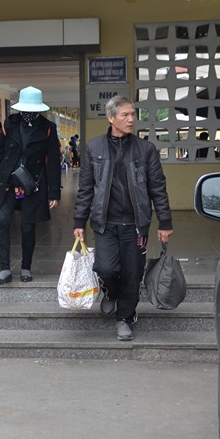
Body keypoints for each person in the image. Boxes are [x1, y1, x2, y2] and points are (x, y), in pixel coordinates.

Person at [73, 95, 173, 342]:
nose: (131, 119)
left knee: (132, 273)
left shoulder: (146, 150)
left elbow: (158, 187)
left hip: (136, 225)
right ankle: (110, 292)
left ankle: (125, 318)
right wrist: (79, 221)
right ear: (111, 118)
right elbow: (86, 188)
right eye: (125, 115)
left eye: (133, 114)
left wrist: (165, 221)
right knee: (105, 268)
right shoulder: (94, 148)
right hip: (105, 223)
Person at [0, 86, 61, 285]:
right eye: (25, 109)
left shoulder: (48, 128)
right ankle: (4, 269)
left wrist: (54, 192)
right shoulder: (9, 124)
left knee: (27, 226)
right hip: (7, 181)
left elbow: (53, 161)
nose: (28, 113)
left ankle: (26, 267)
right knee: (1, 220)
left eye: (32, 110)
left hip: (32, 184)